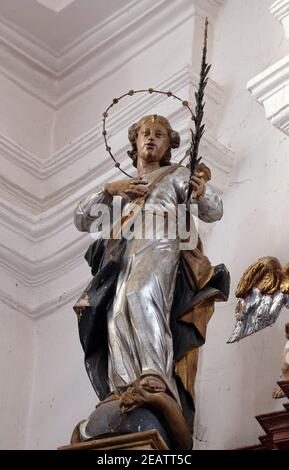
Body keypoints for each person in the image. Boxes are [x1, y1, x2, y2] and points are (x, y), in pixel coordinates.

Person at [74, 115, 229, 441]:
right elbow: (81, 218)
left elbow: (213, 211)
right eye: (145, 133)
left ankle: (153, 375)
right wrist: (107, 190)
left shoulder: (176, 175)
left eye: (160, 134)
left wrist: (201, 193)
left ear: (168, 144)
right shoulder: (124, 188)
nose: (151, 139)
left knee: (143, 296)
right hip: (125, 250)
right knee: (117, 313)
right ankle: (124, 385)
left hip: (161, 240)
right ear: (134, 142)